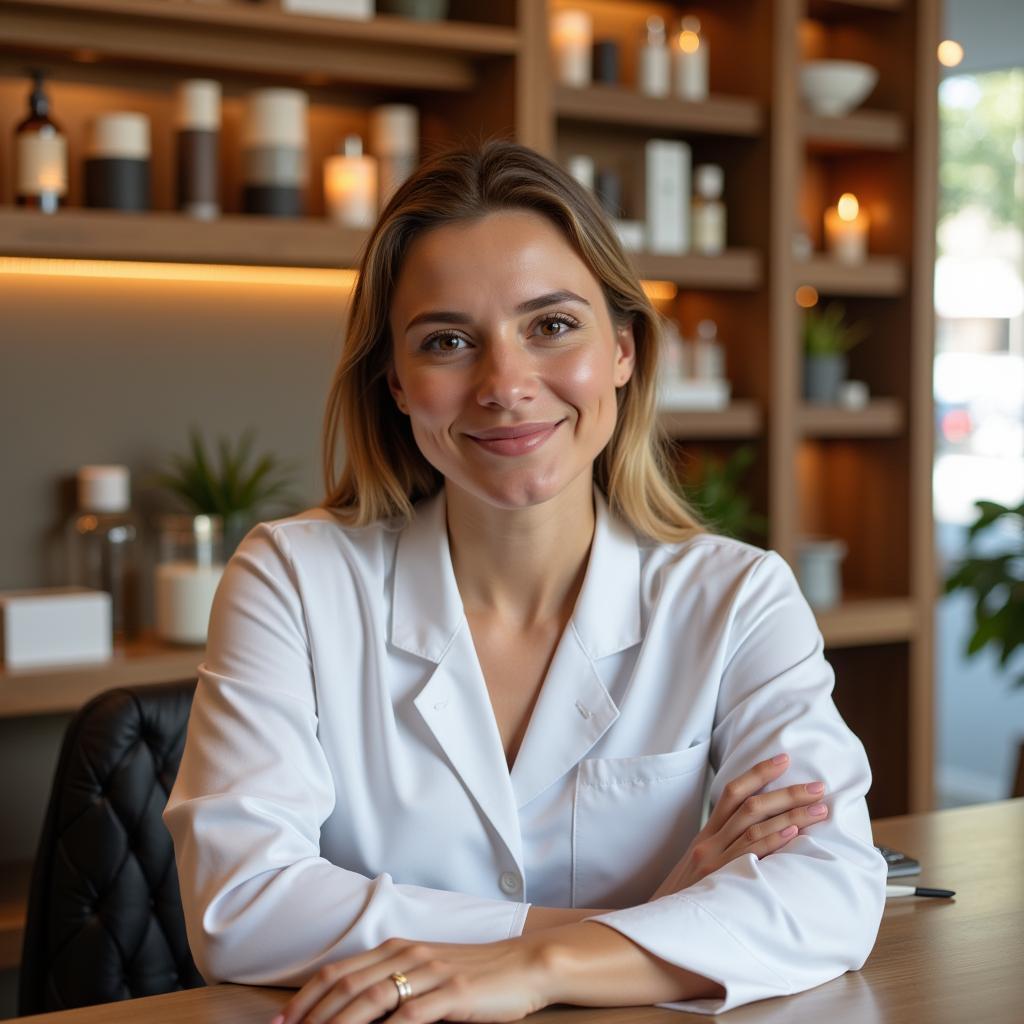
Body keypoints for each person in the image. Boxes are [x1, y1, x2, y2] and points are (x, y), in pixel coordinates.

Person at [164, 139, 886, 1022]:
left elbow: (834, 894)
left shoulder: (737, 600)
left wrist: (538, 968)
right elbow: (244, 908)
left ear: (622, 350)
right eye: (449, 341)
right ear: (395, 382)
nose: (505, 385)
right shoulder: (291, 578)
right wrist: (634, 926)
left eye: (552, 326)